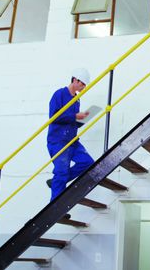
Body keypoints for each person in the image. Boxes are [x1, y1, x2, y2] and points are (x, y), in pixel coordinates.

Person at [46, 68, 94, 203]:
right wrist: (74, 116)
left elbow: (71, 122)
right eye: (83, 84)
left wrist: (82, 119)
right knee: (61, 171)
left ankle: (57, 181)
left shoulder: (76, 100)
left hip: (72, 140)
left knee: (88, 163)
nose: (84, 87)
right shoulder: (59, 94)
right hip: (58, 140)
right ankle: (54, 206)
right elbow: (54, 117)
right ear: (75, 80)